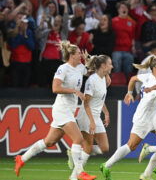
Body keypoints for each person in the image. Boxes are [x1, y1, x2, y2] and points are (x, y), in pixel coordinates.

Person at [14, 41, 96, 180]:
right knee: (78, 139)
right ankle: (80, 172)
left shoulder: (80, 67)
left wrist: (89, 59)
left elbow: (93, 71)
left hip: (69, 110)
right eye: (78, 54)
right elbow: (55, 88)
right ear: (71, 55)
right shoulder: (63, 69)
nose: (80, 56)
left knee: (49, 142)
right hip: (61, 109)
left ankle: (21, 158)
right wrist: (74, 91)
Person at [100, 56, 156, 180]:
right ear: (154, 68)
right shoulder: (155, 84)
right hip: (143, 119)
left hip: (152, 118)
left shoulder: (148, 76)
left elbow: (133, 79)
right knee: (131, 146)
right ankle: (106, 165)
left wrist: (130, 92)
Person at [71, 55, 113, 169]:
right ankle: (76, 175)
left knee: (104, 148)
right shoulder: (92, 80)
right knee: (88, 148)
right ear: (103, 66)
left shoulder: (104, 78)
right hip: (86, 116)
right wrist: (92, 121)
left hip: (96, 116)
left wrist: (106, 112)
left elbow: (100, 99)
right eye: (110, 64)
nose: (112, 66)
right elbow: (86, 103)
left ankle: (76, 152)